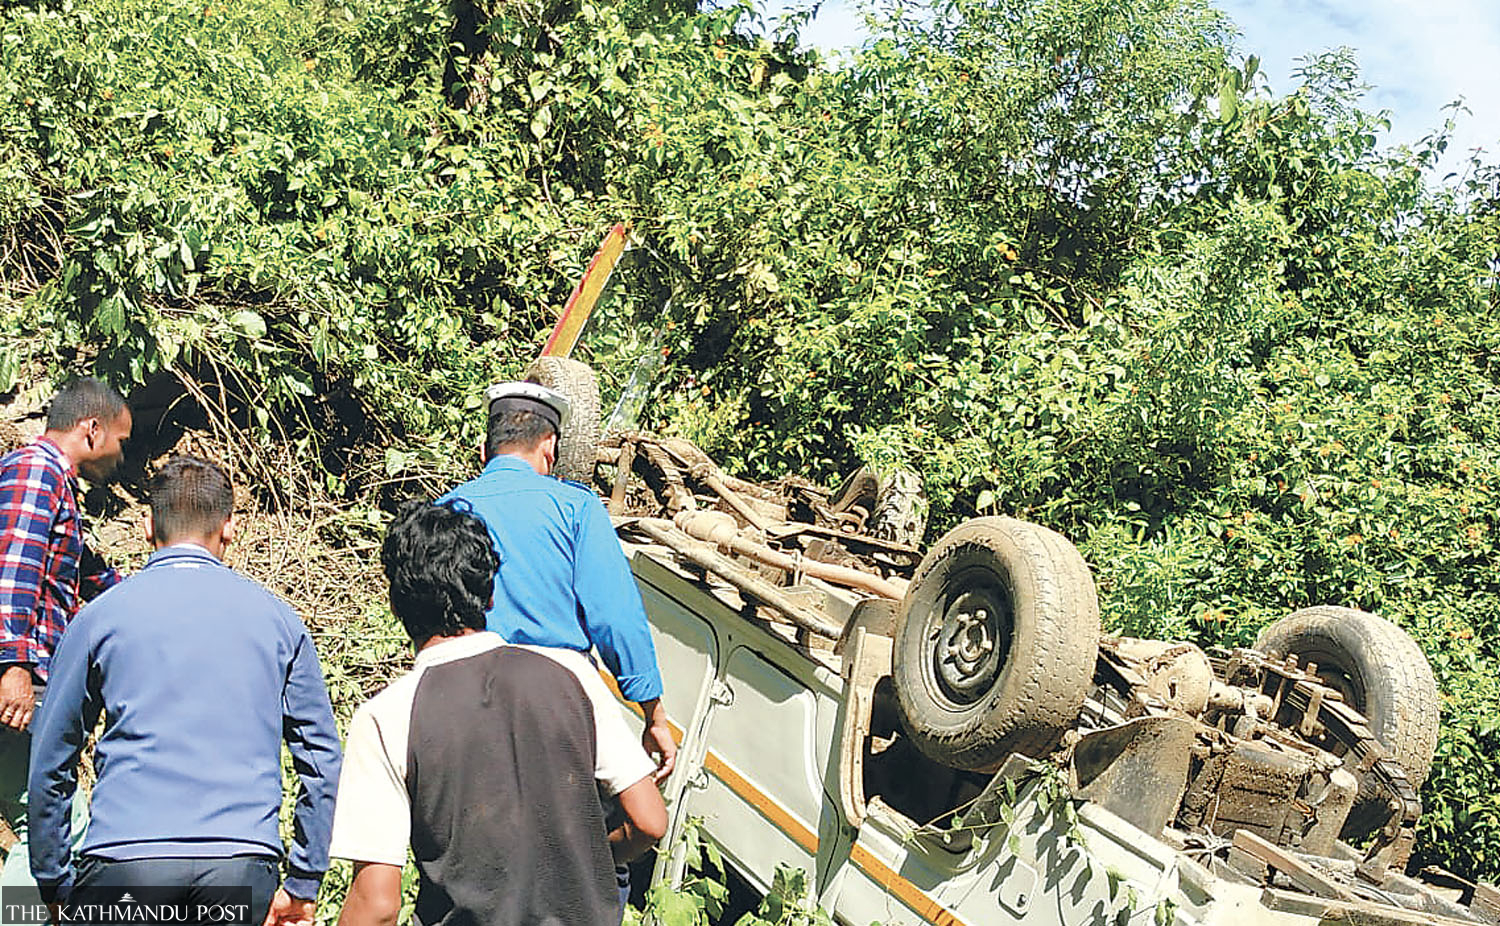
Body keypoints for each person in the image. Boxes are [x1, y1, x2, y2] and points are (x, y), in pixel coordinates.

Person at [26, 456, 343, 926]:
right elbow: (320, 757)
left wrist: (52, 878)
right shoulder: (279, 622)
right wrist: (302, 880)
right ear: (230, 527)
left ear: (146, 524)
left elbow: (52, 756)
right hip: (239, 864)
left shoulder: (99, 619)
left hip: (125, 860)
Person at [330, 501, 667, 926]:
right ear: (489, 595)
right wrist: (589, 861)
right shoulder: (571, 673)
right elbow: (650, 822)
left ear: (396, 605)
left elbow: (377, 905)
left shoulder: (386, 717)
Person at [439, 381, 676, 781]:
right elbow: (616, 618)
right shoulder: (576, 508)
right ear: (550, 446)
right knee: (641, 822)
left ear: (484, 450)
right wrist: (653, 715)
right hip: (555, 704)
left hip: (460, 699)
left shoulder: (445, 510)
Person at [0, 377, 132, 896]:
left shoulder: (53, 486)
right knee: (54, 825)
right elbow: (12, 571)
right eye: (121, 441)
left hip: (28, 680)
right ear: (92, 430)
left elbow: (93, 579)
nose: (122, 456)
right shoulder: (37, 472)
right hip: (21, 684)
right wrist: (11, 664)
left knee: (45, 821)